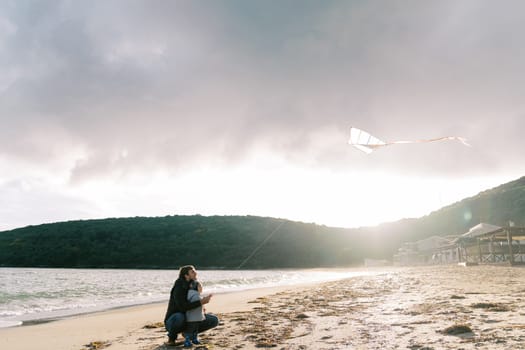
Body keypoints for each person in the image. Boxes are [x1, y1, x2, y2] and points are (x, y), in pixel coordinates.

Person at [164, 265, 219, 346]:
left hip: (189, 318)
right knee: (180, 317)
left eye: (195, 271)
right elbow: (182, 307)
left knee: (214, 320)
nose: (195, 273)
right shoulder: (179, 286)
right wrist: (201, 302)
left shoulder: (193, 285)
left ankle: (188, 333)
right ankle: (171, 339)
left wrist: (202, 306)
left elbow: (195, 299)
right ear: (186, 275)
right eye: (192, 272)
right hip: (173, 320)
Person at [183, 279, 205, 347]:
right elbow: (196, 303)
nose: (201, 288)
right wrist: (203, 301)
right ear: (197, 287)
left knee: (195, 329)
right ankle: (187, 340)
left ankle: (194, 338)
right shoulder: (194, 294)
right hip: (192, 317)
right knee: (191, 329)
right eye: (200, 286)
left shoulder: (194, 294)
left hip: (195, 317)